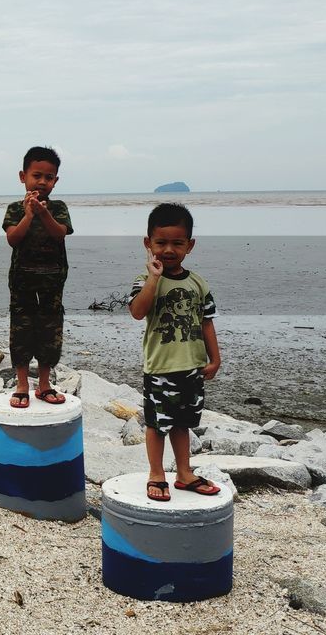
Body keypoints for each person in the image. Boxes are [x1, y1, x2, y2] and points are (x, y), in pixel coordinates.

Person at [127, 203, 222, 501]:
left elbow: (206, 323)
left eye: (177, 243)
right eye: (161, 243)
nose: (169, 250)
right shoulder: (145, 281)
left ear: (190, 245)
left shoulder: (198, 284)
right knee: (157, 425)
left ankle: (184, 472)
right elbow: (137, 312)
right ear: (148, 244)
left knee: (184, 423)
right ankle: (156, 473)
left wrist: (215, 358)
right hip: (160, 369)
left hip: (192, 367)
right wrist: (154, 279)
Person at [2, 146, 73, 408]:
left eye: (49, 177)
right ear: (23, 177)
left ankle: (44, 384)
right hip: (22, 282)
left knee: (49, 331)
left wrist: (43, 213)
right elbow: (13, 239)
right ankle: (22, 384)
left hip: (53, 282)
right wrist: (29, 214)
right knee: (21, 330)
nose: (42, 182)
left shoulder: (59, 208)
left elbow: (60, 233)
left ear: (56, 180)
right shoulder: (14, 209)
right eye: (37, 175)